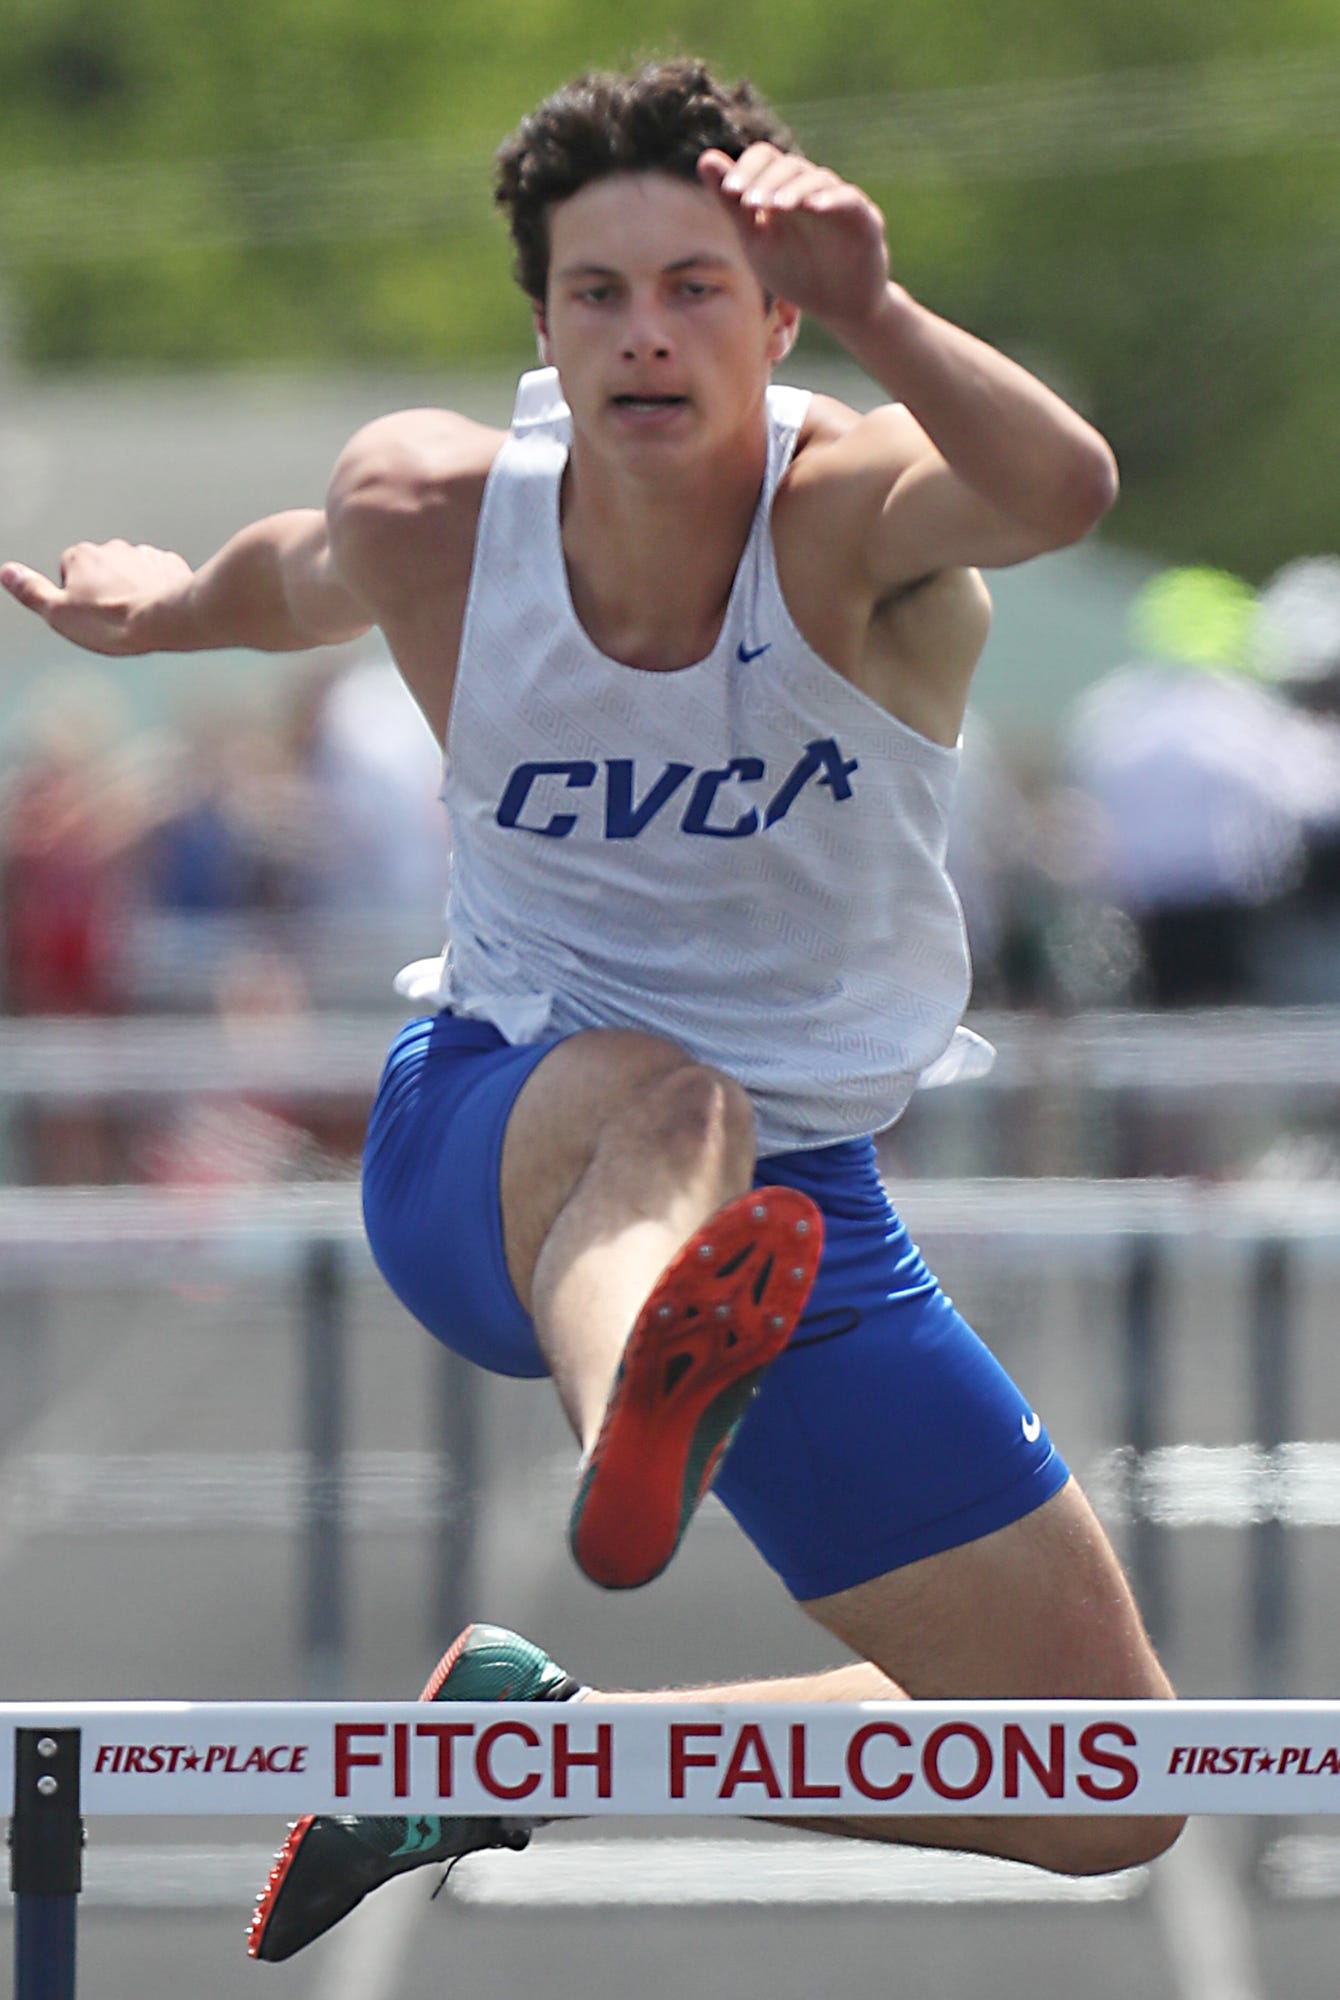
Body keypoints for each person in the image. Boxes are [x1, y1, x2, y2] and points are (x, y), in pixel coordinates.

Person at [1, 58, 1182, 1963]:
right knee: (671, 1092)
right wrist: (152, 611)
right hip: (493, 1135)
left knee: (1095, 1771)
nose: (645, 335)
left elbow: (1064, 486)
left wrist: (887, 304)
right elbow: (287, 581)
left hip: (802, 1220)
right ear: (544, 329)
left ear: (778, 313)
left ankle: (522, 1748)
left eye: (695, 288)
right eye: (598, 293)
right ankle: (645, 1388)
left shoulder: (853, 513)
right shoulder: (442, 509)